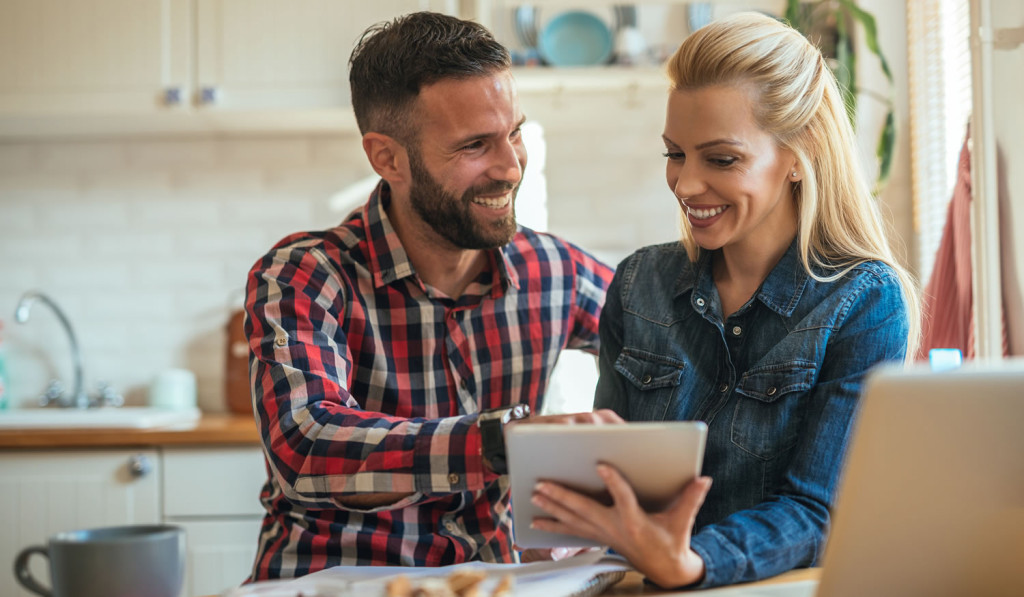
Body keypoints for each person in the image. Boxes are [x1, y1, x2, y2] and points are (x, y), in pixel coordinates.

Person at [528, 11, 921, 589]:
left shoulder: (863, 301)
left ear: (798, 154)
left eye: (721, 159)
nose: (686, 185)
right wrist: (569, 514)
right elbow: (619, 489)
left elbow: (818, 511)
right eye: (674, 154)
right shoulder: (639, 283)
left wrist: (693, 561)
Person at [243, 11, 617, 581]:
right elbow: (306, 445)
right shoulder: (306, 273)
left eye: (515, 133)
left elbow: (670, 343)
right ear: (387, 158)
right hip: (334, 580)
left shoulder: (553, 269)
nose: (511, 167)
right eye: (474, 146)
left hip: (493, 583)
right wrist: (498, 442)